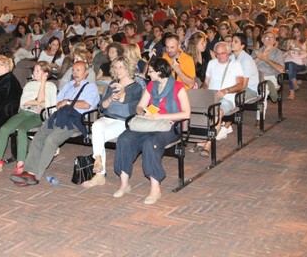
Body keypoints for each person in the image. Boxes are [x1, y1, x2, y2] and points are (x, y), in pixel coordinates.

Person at [113, 58, 191, 204]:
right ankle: (124, 184)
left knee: (151, 143)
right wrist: (144, 114)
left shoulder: (178, 87)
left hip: (169, 125)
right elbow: (140, 106)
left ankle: (155, 189)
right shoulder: (151, 86)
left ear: (160, 72)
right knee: (124, 139)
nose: (148, 74)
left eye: (151, 71)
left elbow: (186, 114)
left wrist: (160, 116)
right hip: (149, 123)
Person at [10, 61, 100, 186]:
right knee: (38, 137)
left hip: (74, 120)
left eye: (78, 70)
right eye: (73, 70)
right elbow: (58, 103)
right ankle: (28, 171)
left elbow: (87, 104)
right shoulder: (68, 85)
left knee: (51, 140)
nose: (75, 73)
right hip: (59, 116)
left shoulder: (91, 87)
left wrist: (68, 102)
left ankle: (36, 174)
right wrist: (62, 104)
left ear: (86, 73)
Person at [0, 62, 57, 175]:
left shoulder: (51, 86)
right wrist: (38, 102)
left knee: (22, 130)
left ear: (45, 74)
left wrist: (43, 84)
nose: (34, 72)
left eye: (38, 71)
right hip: (24, 113)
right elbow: (24, 103)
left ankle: (20, 164)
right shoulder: (29, 85)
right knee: (4, 129)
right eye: (34, 70)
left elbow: (48, 105)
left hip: (38, 116)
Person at [82, 57, 143, 188]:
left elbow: (126, 102)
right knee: (97, 125)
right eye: (116, 67)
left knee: (98, 135)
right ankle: (98, 160)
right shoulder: (111, 84)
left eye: (121, 67)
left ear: (128, 68)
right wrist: (110, 98)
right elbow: (102, 107)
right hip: (108, 118)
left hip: (123, 121)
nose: (118, 70)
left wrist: (121, 92)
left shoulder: (136, 87)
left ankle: (100, 174)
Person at [284, 23, 307, 100]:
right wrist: (291, 49)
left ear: (302, 32)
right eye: (294, 32)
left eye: (298, 32)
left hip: (301, 63)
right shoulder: (290, 41)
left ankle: (292, 92)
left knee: (290, 68)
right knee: (290, 65)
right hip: (290, 60)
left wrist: (301, 49)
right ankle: (294, 83)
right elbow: (287, 53)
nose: (296, 34)